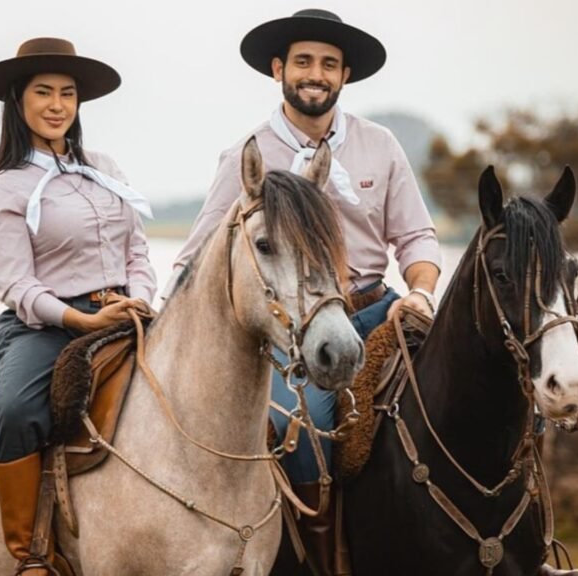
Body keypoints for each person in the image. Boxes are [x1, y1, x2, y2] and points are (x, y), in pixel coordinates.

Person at [166, 9, 440, 574]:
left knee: (469, 389)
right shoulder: (248, 156)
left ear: (344, 76)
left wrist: (420, 293)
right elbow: (198, 255)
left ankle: (510, 545)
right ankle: (318, 561)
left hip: (379, 309)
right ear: (278, 70)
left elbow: (415, 237)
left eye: (329, 65)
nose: (316, 74)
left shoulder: (380, 145)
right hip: (289, 327)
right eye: (304, 62)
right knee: (302, 438)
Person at [0, 37, 156, 575]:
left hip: (123, 311)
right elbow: (17, 287)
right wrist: (80, 319)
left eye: (68, 94)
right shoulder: (4, 187)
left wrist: (139, 300)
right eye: (44, 92)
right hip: (45, 325)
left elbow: (136, 250)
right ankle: (29, 552)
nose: (57, 105)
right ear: (18, 100)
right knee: (13, 410)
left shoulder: (104, 166)